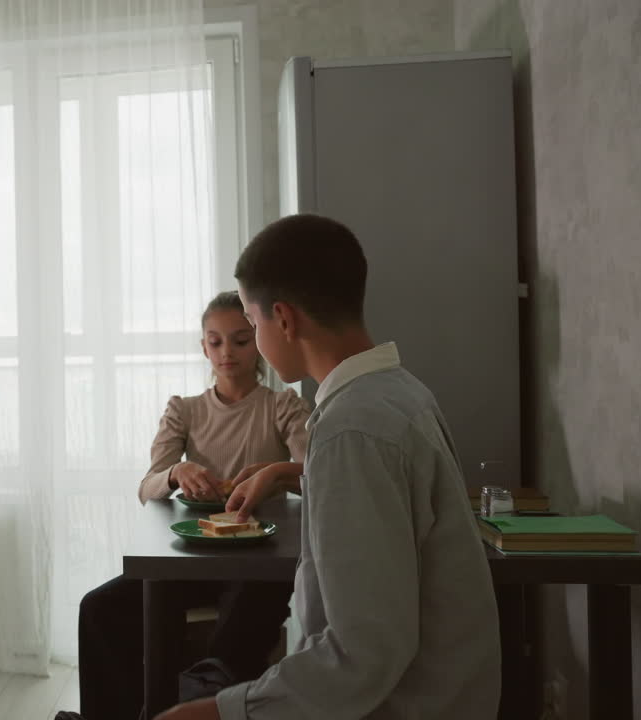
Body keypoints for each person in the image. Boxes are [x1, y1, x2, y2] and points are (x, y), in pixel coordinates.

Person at [156, 214, 501, 720]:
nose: (248, 342)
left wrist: (227, 711)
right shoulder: (400, 394)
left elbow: (362, 652)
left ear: (285, 320)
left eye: (252, 326)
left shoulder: (350, 429)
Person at [59, 291, 311, 720]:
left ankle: (188, 707)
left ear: (260, 342)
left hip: (259, 564)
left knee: (235, 631)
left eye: (240, 340)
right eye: (215, 342)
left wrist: (274, 471)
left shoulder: (281, 405)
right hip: (189, 560)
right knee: (98, 608)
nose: (226, 352)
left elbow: (314, 473)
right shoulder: (185, 409)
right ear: (203, 347)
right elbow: (147, 486)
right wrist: (176, 473)